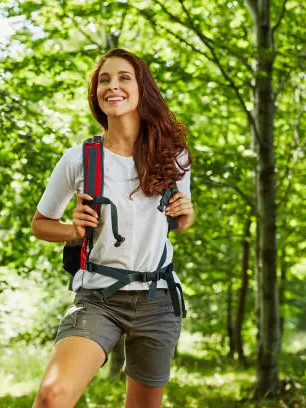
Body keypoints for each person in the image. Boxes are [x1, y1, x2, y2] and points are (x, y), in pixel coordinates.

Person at [30, 48, 194, 408]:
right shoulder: (79, 158)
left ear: (141, 89)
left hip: (158, 298)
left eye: (124, 78)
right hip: (98, 298)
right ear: (96, 93)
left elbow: (181, 221)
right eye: (104, 80)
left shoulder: (174, 154)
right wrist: (73, 230)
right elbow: (40, 225)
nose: (112, 86)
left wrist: (186, 212)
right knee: (52, 396)